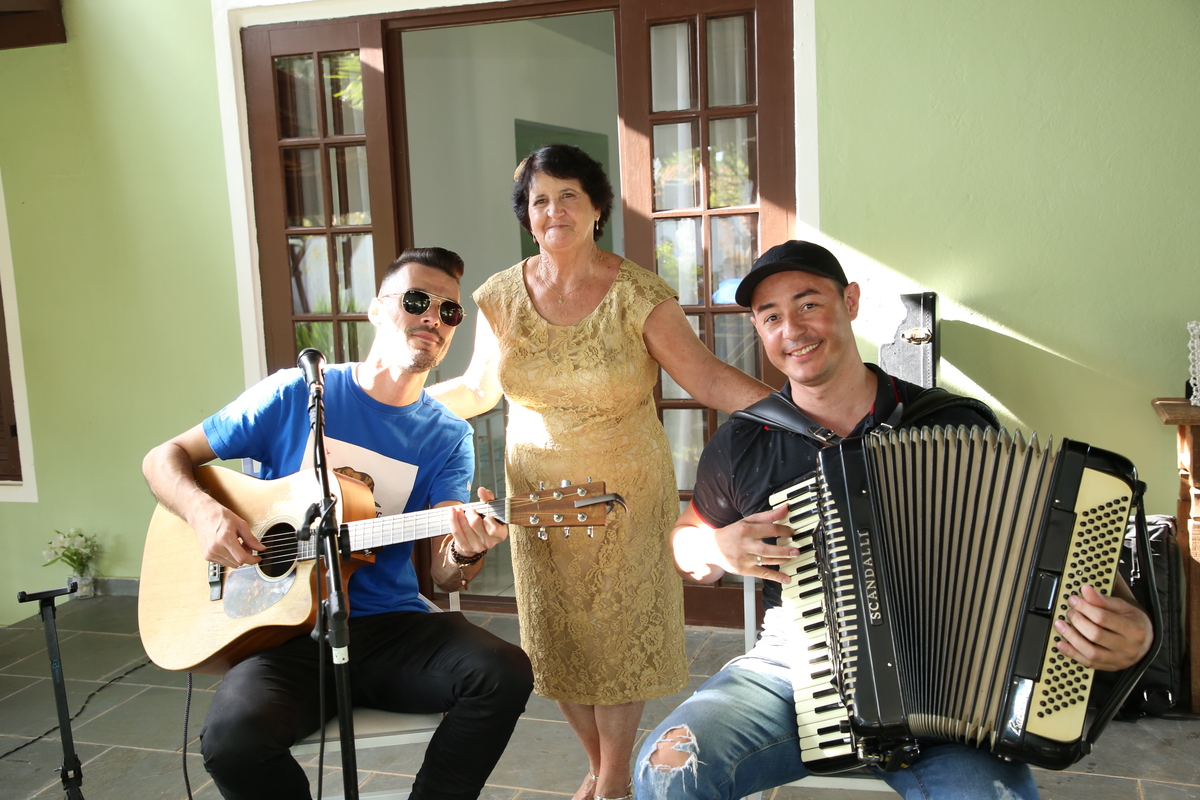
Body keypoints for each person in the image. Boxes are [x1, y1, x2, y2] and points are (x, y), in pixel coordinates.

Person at [634, 239, 1155, 799]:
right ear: (760, 330)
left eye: (809, 304)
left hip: (953, 677)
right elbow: (687, 544)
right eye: (772, 317)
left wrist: (1132, 631)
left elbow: (1055, 550)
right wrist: (716, 547)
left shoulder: (953, 423)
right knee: (667, 771)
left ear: (850, 302)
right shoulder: (744, 443)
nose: (793, 330)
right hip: (796, 667)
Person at [429, 144, 772, 800]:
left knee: (616, 638)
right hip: (538, 500)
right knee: (558, 639)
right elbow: (476, 390)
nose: (553, 210)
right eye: (540, 200)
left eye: (568, 196)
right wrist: (385, 407)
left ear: (596, 210)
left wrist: (796, 413)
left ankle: (612, 781)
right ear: (527, 216)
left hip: (625, 497)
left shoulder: (637, 294)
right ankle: (602, 771)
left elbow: (704, 376)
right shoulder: (500, 296)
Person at [141, 248, 534, 800]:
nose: (433, 318)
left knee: (503, 672)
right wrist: (205, 513)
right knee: (232, 742)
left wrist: (467, 550)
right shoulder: (296, 393)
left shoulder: (448, 436)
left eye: (449, 312)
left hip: (390, 628)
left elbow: (445, 574)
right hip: (285, 636)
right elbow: (163, 458)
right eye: (417, 301)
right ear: (376, 310)